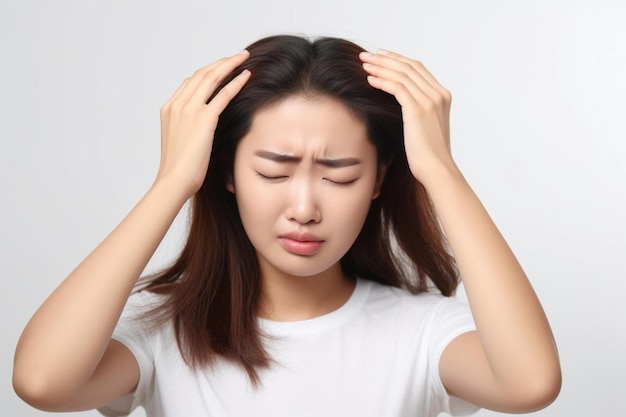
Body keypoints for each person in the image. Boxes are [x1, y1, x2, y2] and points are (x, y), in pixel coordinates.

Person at [13, 35, 561, 416]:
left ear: (377, 181)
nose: (304, 207)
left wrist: (440, 171)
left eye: (339, 176)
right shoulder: (166, 334)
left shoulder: (421, 333)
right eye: (273, 171)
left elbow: (530, 384)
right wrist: (172, 182)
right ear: (226, 172)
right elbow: (41, 383)